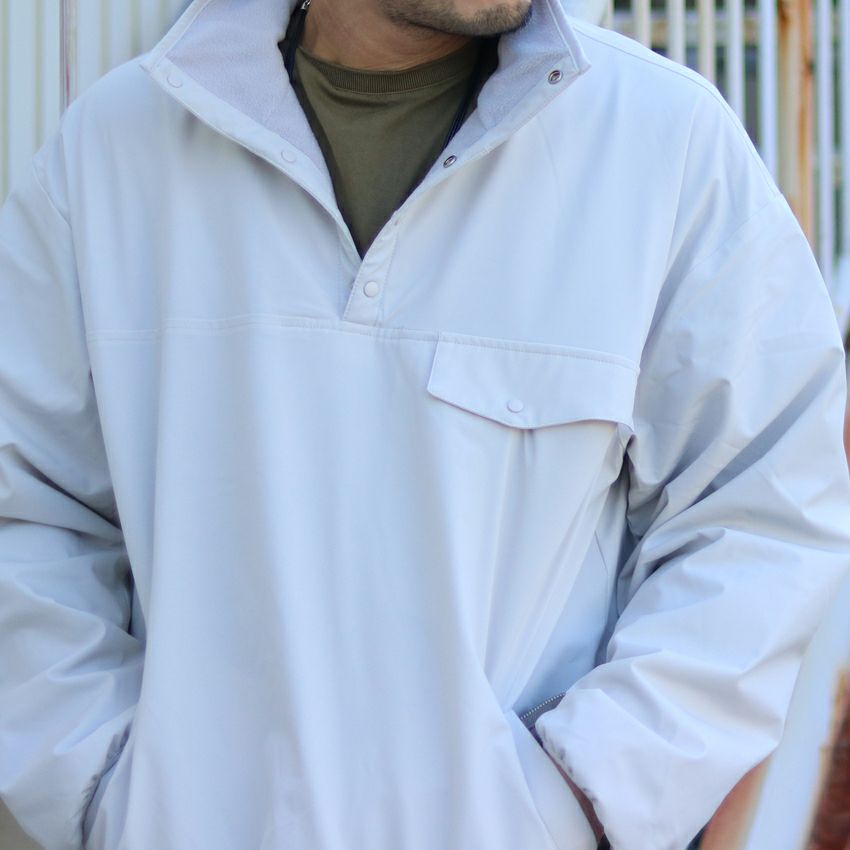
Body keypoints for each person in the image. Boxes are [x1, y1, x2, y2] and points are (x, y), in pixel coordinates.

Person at [1, 0, 849, 848]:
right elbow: (25, 513)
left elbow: (763, 515)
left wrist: (580, 801)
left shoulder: (663, 146)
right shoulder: (113, 153)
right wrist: (107, 791)